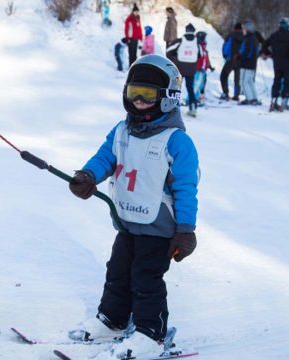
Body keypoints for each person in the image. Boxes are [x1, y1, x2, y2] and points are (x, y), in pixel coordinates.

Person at [67, 54, 199, 360]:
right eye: (133, 92)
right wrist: (88, 176)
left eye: (147, 95)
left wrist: (185, 230)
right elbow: (105, 158)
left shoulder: (177, 141)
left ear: (168, 98)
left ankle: (151, 334)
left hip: (160, 228)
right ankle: (112, 320)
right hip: (127, 221)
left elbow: (186, 189)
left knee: (146, 278)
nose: (138, 100)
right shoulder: (122, 130)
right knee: (117, 272)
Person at [166, 23, 202, 117]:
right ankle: (193, 108)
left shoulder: (180, 41)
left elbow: (169, 51)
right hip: (191, 70)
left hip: (180, 70)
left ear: (186, 30)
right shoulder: (197, 43)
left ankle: (173, 107)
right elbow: (200, 55)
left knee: (176, 88)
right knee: (190, 89)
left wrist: (174, 59)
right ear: (193, 31)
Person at [263, 17, 289, 112]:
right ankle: (284, 103)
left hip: (277, 62)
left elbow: (265, 45)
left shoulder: (274, 35)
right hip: (287, 63)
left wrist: (270, 54)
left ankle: (274, 100)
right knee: (287, 82)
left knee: (276, 81)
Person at [238, 20, 261, 105]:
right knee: (250, 81)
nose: (242, 31)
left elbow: (247, 53)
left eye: (244, 29)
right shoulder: (253, 38)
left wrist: (240, 57)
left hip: (247, 64)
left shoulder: (248, 39)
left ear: (248, 29)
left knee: (243, 82)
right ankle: (254, 97)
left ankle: (249, 99)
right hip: (252, 64)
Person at [220, 23, 244, 101]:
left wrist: (225, 56)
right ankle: (236, 95)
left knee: (223, 76)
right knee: (237, 79)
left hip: (231, 60)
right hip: (240, 61)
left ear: (234, 28)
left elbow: (226, 46)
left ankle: (225, 93)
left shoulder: (231, 35)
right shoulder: (244, 37)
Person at [193, 31, 214, 105]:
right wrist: (198, 67)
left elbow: (206, 59)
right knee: (196, 84)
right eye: (204, 38)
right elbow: (197, 59)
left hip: (203, 70)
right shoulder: (197, 47)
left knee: (202, 84)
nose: (205, 40)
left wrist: (210, 67)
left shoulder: (204, 48)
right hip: (198, 70)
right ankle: (192, 98)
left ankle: (199, 97)